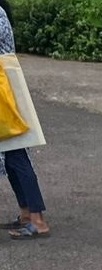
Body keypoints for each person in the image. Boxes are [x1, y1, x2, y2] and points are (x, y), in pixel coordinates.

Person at [0, 0, 49, 238]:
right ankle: (28, 214)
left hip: (4, 94)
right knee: (12, 156)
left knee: (17, 153)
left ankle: (37, 219)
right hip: (4, 92)